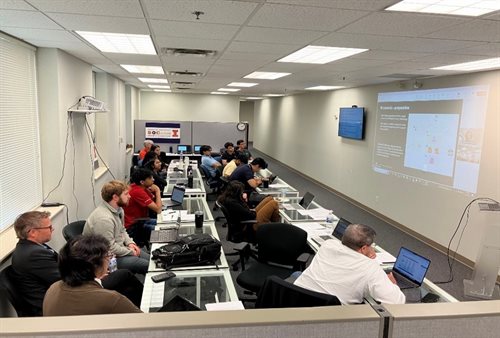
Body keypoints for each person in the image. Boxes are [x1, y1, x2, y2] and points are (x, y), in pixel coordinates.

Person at [10, 211, 143, 316]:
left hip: (60, 290)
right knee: (123, 275)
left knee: (120, 280)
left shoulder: (32, 248)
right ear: (32, 232)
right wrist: (94, 275)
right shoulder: (32, 254)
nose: (53, 229)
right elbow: (65, 276)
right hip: (56, 302)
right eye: (49, 227)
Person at [294, 224, 406, 305]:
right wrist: (393, 285)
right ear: (363, 248)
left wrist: (364, 255)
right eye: (371, 245)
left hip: (295, 298)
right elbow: (396, 302)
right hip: (327, 314)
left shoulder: (328, 245)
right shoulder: (370, 267)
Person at [43, 234, 142, 316]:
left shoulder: (53, 289)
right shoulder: (112, 299)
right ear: (95, 265)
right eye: (108, 256)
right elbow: (145, 325)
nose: (109, 259)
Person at [84, 180, 150, 275]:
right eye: (126, 194)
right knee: (147, 265)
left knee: (152, 260)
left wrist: (130, 243)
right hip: (105, 259)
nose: (129, 196)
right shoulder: (104, 219)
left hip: (120, 249)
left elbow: (122, 230)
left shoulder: (118, 209)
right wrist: (130, 251)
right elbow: (109, 248)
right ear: (115, 197)